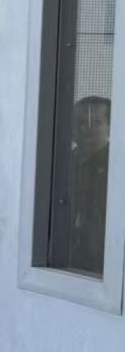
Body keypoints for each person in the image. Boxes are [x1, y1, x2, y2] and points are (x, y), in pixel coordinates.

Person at [69, 95, 111, 273]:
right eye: (81, 122)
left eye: (97, 122)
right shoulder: (63, 163)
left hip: (105, 263)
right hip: (67, 259)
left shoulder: (118, 166)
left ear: (110, 126)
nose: (87, 129)